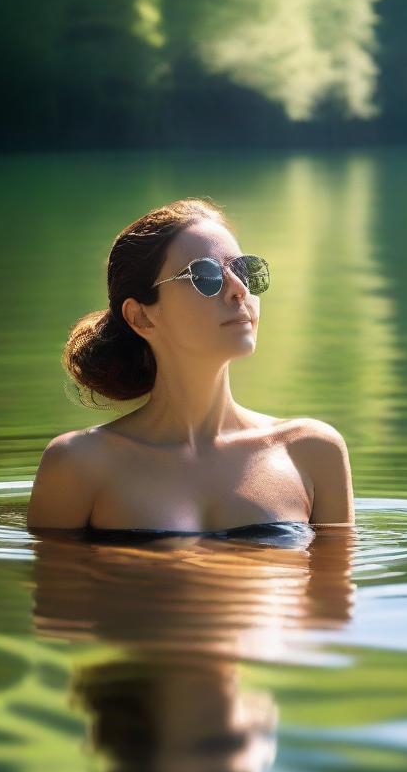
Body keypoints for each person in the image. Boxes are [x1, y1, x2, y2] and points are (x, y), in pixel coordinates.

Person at [26, 197, 354, 533]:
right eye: (206, 275)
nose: (239, 290)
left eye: (241, 269)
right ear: (141, 317)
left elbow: (335, 583)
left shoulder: (311, 452)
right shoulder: (78, 464)